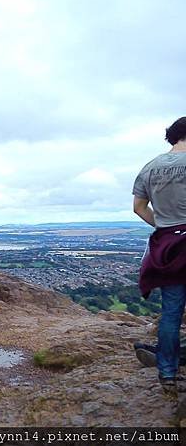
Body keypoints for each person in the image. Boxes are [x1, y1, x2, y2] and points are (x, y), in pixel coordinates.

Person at [133, 116, 186, 395]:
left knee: (171, 312)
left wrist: (166, 226)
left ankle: (167, 371)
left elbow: (139, 207)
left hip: (167, 246)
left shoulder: (150, 167)